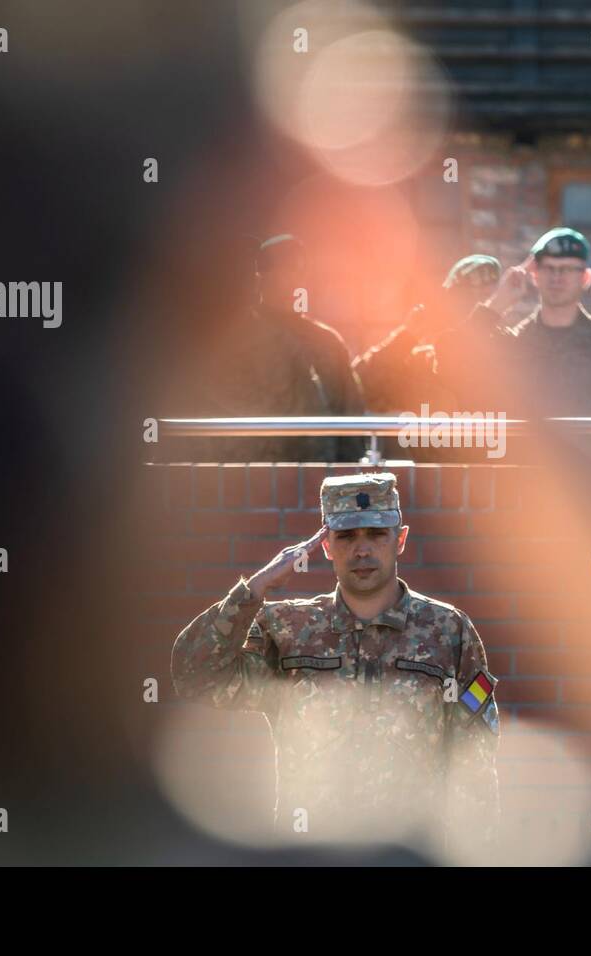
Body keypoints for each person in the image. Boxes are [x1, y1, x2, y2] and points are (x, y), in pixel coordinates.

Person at [170, 473, 500, 849]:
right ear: (326, 545)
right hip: (310, 852)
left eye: (376, 534)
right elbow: (195, 674)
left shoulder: (449, 631)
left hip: (411, 852)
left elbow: (474, 760)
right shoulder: (287, 628)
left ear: (400, 539)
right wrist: (257, 589)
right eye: (346, 536)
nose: (362, 551)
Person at [200, 234, 365, 462]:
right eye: (287, 269)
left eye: (300, 270)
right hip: (252, 474)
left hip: (319, 474)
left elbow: (350, 416)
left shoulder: (327, 342)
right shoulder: (238, 341)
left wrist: (347, 474)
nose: (296, 279)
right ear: (261, 278)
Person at [433, 227, 591, 417]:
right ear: (534, 275)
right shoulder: (512, 343)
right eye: (548, 268)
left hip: (590, 449)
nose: (556, 278)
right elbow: (449, 362)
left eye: (567, 269)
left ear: (586, 278)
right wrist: (497, 305)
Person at [351, 254, 502, 415]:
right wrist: (405, 337)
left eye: (483, 304)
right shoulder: (420, 364)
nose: (469, 315)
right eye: (464, 301)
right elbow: (359, 388)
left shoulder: (504, 360)